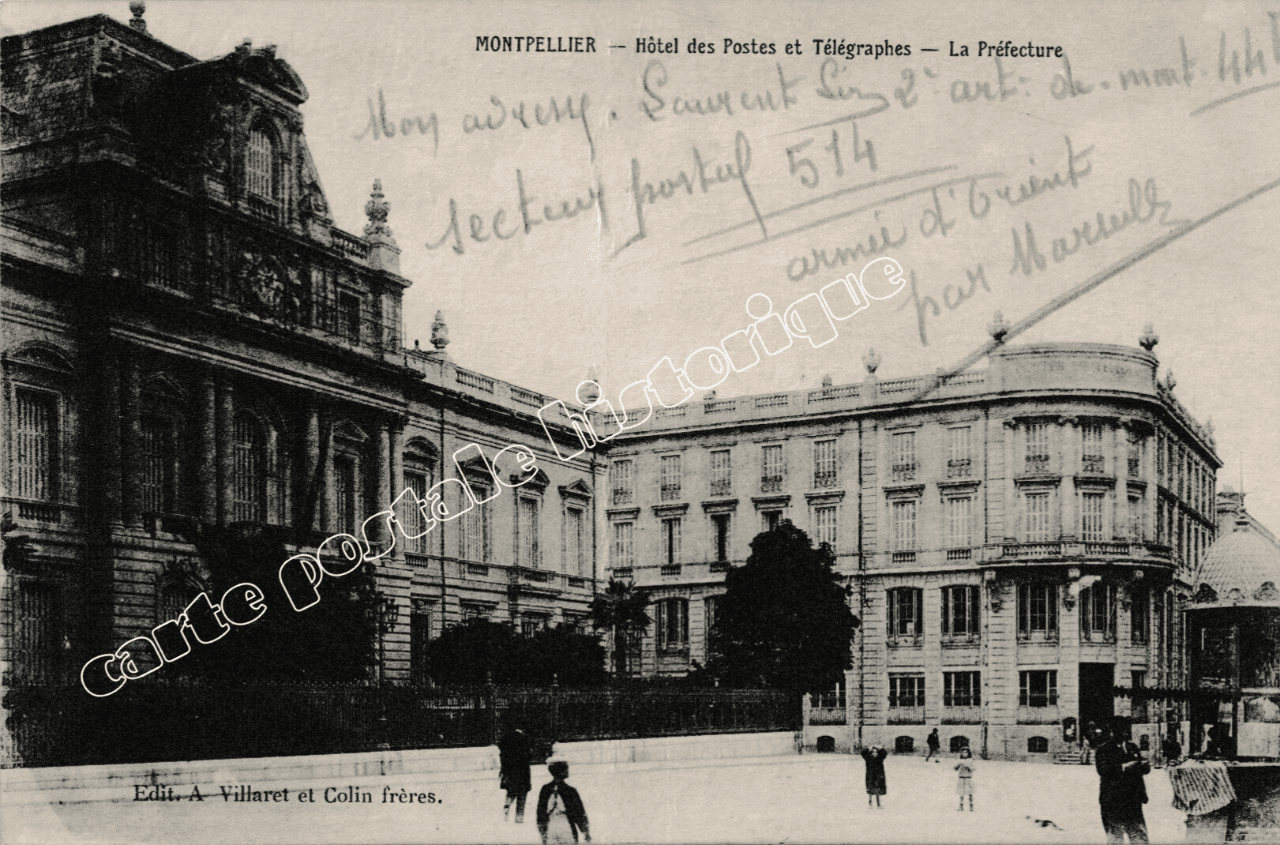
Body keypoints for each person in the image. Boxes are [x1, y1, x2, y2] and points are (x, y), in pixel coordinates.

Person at [1095, 721, 1150, 843]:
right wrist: (1124, 767)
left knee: (1139, 834)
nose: (1123, 734)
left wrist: (1145, 766)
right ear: (1111, 733)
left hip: (1133, 798)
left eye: (1124, 731)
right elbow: (1103, 770)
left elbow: (1142, 771)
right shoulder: (1103, 749)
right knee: (1116, 835)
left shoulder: (1133, 747)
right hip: (1113, 799)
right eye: (1118, 732)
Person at [537, 757, 590, 845]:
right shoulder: (570, 790)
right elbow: (579, 812)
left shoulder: (545, 789)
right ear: (561, 771)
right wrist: (585, 831)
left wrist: (542, 832)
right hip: (565, 827)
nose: (567, 771)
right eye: (566, 768)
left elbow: (540, 813)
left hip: (552, 827)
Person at [498, 726, 533, 823]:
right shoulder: (524, 738)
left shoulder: (506, 738)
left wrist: (504, 769)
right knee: (522, 794)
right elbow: (529, 755)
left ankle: (507, 804)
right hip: (523, 771)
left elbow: (502, 755)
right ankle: (519, 817)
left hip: (510, 770)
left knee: (511, 791)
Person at [860, 743, 888, 808]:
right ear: (871, 753)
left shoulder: (880, 759)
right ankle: (870, 803)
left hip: (878, 776)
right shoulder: (868, 759)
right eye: (873, 752)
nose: (874, 753)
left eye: (876, 752)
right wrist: (869, 748)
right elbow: (862, 752)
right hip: (870, 777)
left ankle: (878, 804)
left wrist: (880, 748)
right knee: (870, 790)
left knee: (877, 791)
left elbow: (884, 753)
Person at [954, 746, 974, 811]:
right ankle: (961, 806)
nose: (964, 754)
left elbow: (973, 768)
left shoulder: (971, 760)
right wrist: (958, 765)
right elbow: (955, 768)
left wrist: (968, 766)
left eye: (966, 752)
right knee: (961, 792)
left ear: (968, 753)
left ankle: (971, 806)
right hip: (961, 777)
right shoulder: (960, 760)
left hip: (968, 777)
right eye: (963, 752)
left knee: (969, 791)